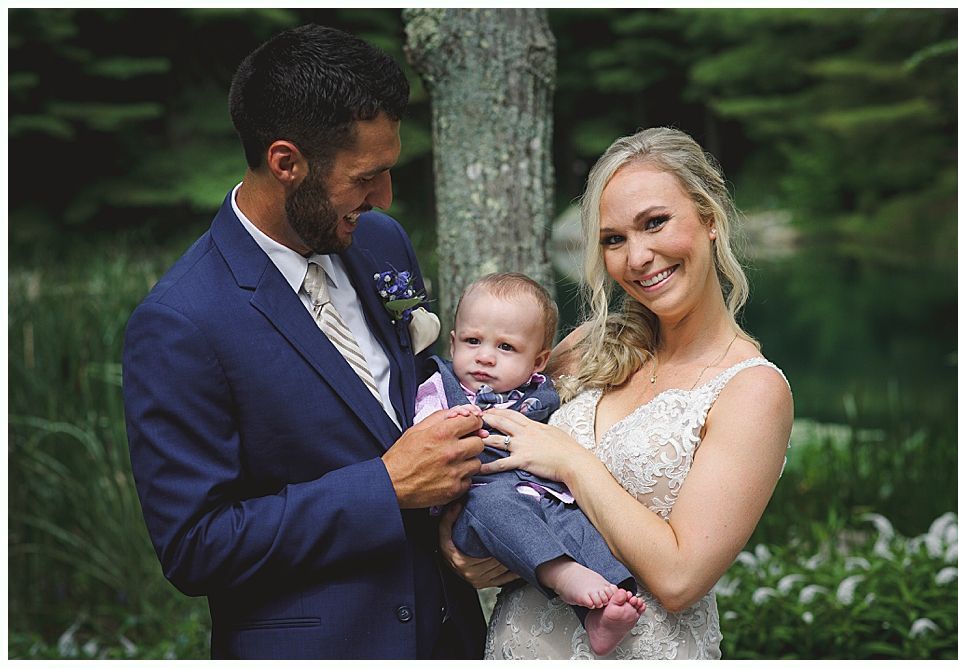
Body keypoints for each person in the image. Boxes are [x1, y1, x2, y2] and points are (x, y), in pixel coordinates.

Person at [122, 24, 488, 659]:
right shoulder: (180, 322)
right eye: (367, 177)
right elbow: (195, 547)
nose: (384, 198)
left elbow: (416, 393)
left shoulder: (381, 242)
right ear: (285, 162)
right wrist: (384, 487)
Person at [440, 127, 794, 659]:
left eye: (655, 223)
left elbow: (679, 579)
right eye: (613, 239)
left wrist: (572, 463)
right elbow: (498, 467)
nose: (638, 257)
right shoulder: (588, 347)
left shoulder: (752, 389)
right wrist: (459, 545)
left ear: (710, 218)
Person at [414, 272, 646, 656]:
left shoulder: (541, 392)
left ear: (538, 361)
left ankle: (607, 606)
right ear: (452, 343)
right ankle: (563, 574)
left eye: (506, 347)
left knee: (574, 519)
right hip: (475, 504)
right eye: (472, 341)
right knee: (496, 506)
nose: (485, 356)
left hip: (538, 492)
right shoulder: (440, 388)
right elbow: (424, 442)